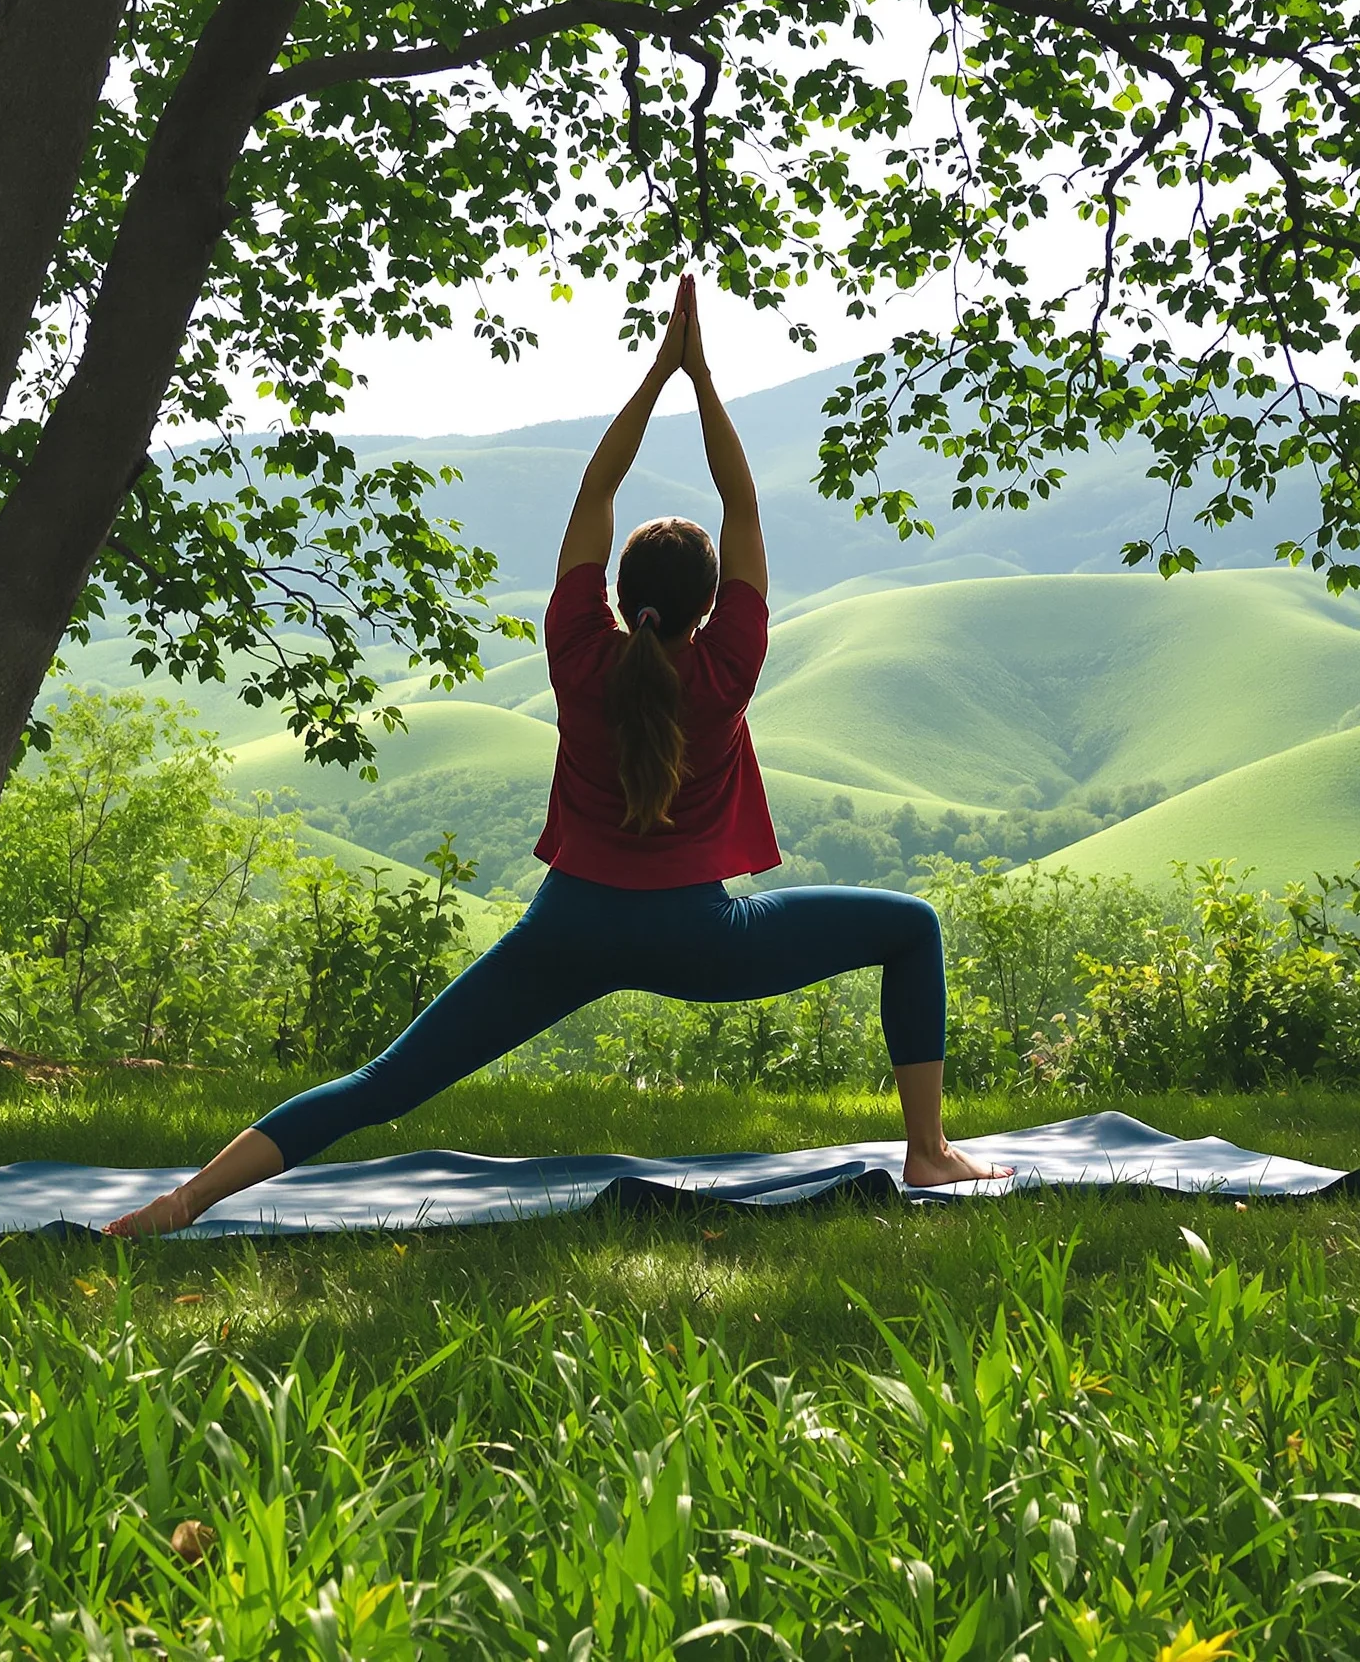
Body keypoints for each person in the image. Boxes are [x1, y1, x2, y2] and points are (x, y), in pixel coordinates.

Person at [104, 275, 1000, 1236]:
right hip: (700, 935)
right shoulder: (727, 667)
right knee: (911, 926)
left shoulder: (577, 652)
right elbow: (743, 506)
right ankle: (928, 1149)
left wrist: (657, 375)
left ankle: (185, 1201)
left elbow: (595, 493)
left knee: (386, 1081)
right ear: (711, 607)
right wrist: (703, 380)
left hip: (568, 929)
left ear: (618, 594)